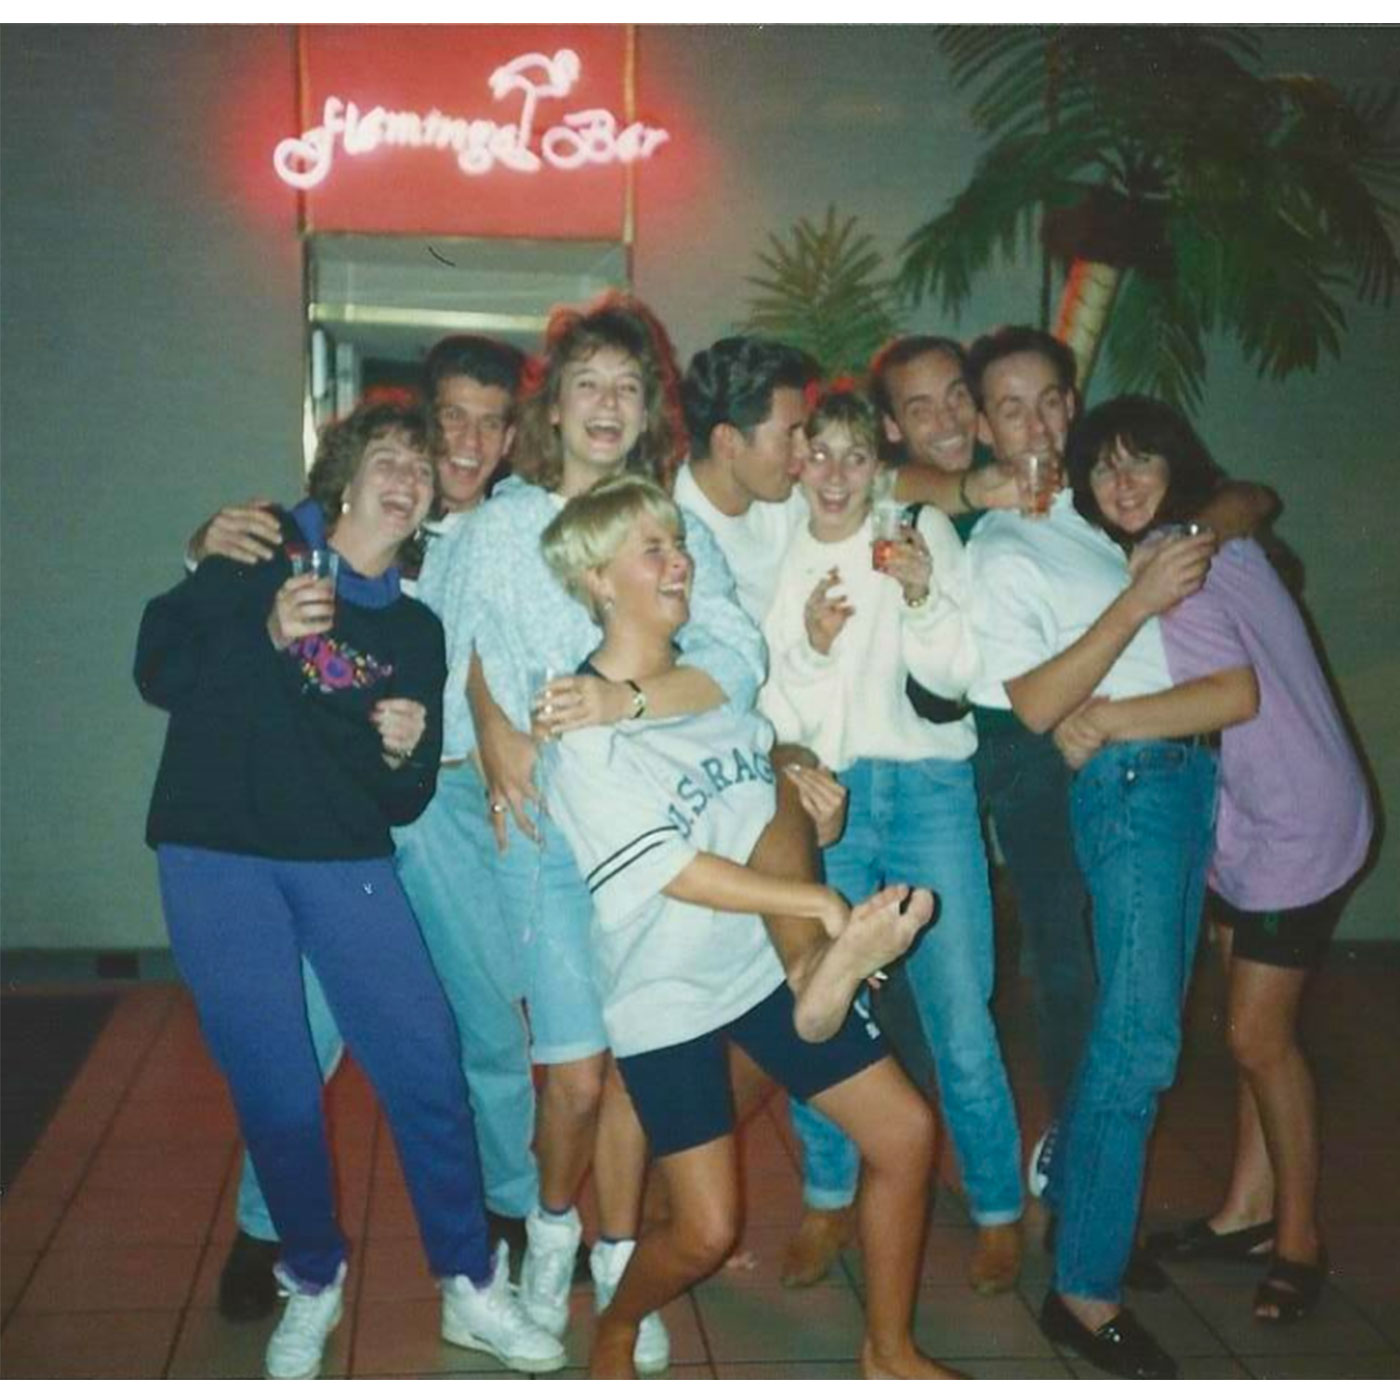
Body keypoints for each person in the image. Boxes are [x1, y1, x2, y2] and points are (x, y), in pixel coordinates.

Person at [134, 402, 562, 1378]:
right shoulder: (253, 557)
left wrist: (402, 750)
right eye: (386, 458)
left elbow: (400, 791)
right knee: (278, 1088)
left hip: (341, 856)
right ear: (344, 475)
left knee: (426, 1065)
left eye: (420, 467)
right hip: (216, 853)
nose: (406, 476)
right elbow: (158, 667)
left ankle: (468, 1283)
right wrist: (264, 630)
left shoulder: (413, 625)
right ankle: (313, 1276)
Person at [539, 473, 959, 1380]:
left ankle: (888, 1351)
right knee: (703, 1232)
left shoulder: (708, 689)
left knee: (905, 1135)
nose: (679, 559)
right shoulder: (582, 730)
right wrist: (813, 902)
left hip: (765, 970)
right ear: (599, 581)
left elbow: (757, 770)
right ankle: (616, 1323)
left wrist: (808, 785)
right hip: (672, 998)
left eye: (678, 542)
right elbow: (674, 873)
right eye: (654, 549)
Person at [444, 292, 769, 1373]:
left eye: (627, 386)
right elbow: (464, 651)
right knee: (574, 1074)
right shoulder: (500, 524)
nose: (605, 402)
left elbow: (734, 659)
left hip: (656, 827)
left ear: (647, 411)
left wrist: (625, 704)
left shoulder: (662, 519)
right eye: (585, 381)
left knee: (638, 1070)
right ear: (553, 401)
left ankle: (618, 1255)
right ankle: (548, 1241)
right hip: (546, 831)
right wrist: (492, 728)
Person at [675, 335, 1022, 1292]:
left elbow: (958, 676)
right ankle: (827, 1204)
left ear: (880, 466)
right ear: (798, 462)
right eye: (815, 454)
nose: (831, 473)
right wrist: (817, 645)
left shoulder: (918, 531)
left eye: (853, 457)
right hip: (834, 797)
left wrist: (915, 596)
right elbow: (776, 711)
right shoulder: (781, 554)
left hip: (931, 793)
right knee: (827, 1006)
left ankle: (998, 1209)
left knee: (961, 1011)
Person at [964, 328, 1245, 1378]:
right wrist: (1132, 609)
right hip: (1129, 792)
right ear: (982, 426)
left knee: (1142, 1032)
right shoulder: (1000, 548)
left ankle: (1082, 1200)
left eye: (1048, 402)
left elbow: (1232, 508)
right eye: (1007, 407)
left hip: (1172, 782)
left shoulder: (1085, 518)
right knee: (1137, 1045)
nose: (1034, 424)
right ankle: (1081, 1288)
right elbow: (1033, 701)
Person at [1062, 397, 1374, 1324]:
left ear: (1175, 472)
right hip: (1249, 816)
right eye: (1105, 467)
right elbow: (1250, 501)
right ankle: (1246, 1209)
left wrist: (1105, 720)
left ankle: (1301, 1239)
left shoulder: (1181, 562)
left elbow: (1227, 698)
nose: (1122, 483)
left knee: (1255, 1038)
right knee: (1252, 1023)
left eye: (1141, 464)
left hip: (1295, 821)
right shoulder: (1199, 541)